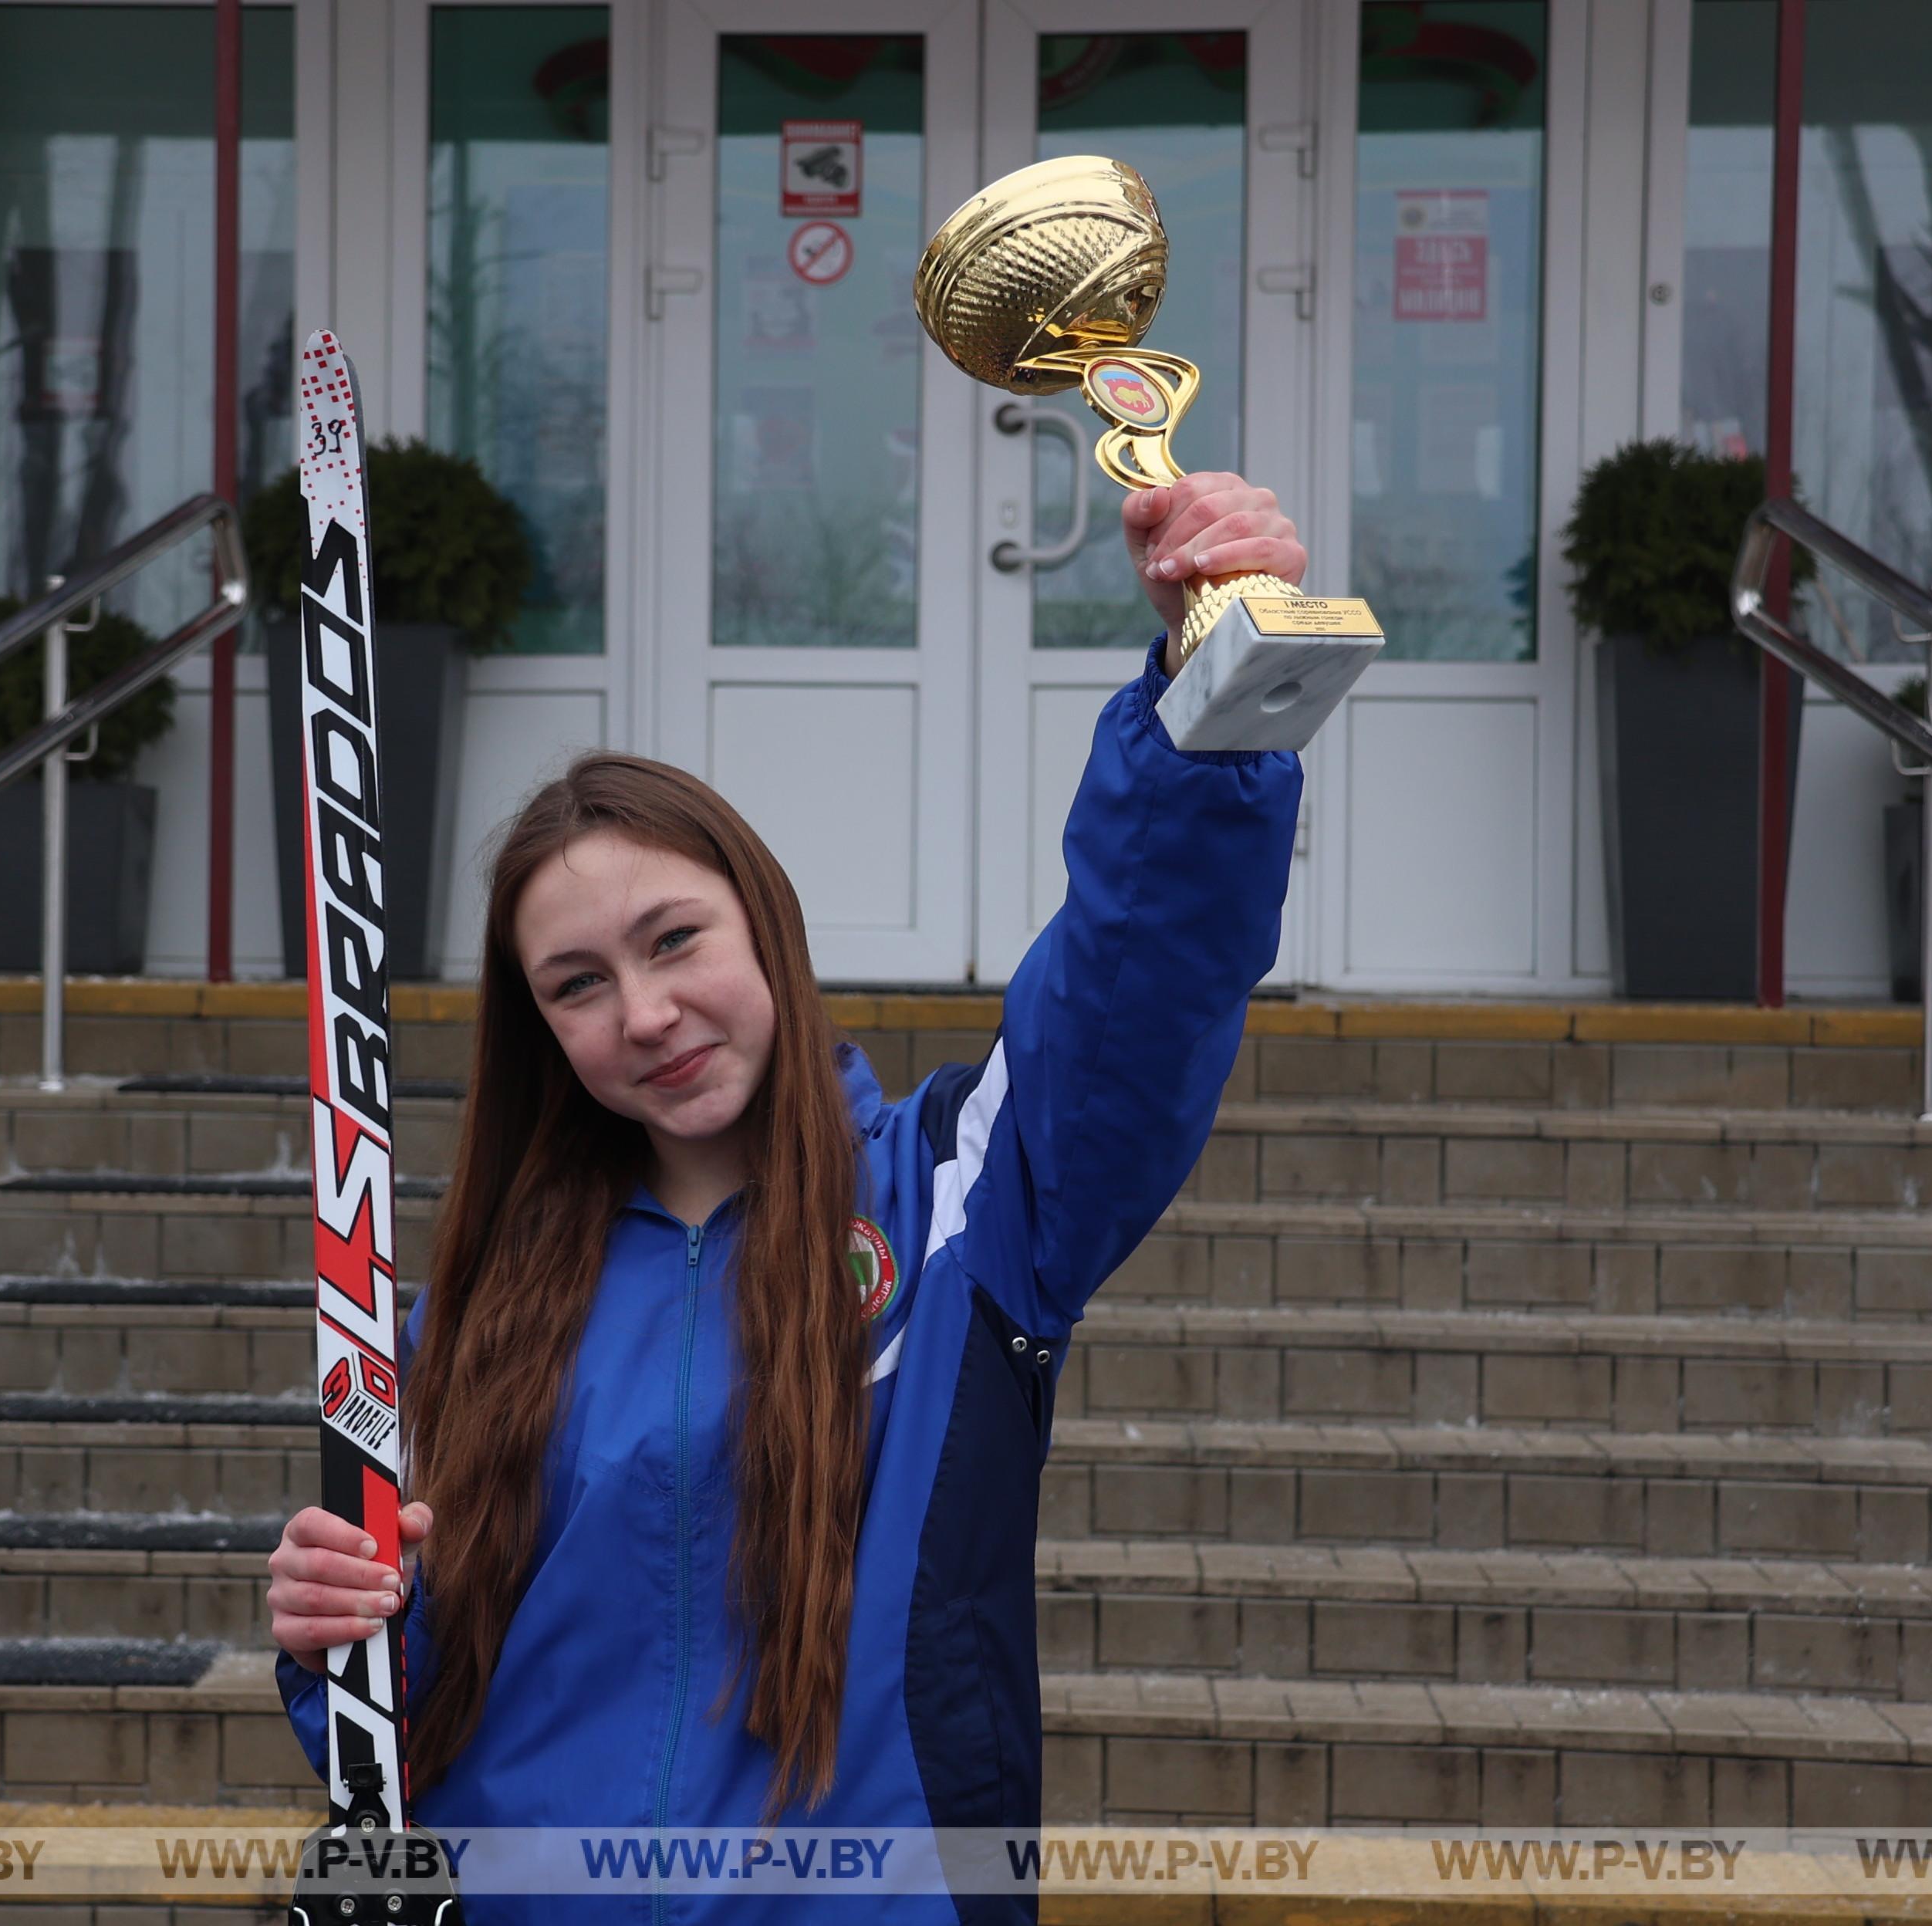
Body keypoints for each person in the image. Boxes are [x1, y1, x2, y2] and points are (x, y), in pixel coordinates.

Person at [270, 473, 1307, 1923]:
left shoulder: (962, 1202)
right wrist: (337, 1639)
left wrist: (1213, 690)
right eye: (578, 984)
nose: (644, 1013)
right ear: (542, 1032)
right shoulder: (464, 1321)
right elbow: (398, 1732)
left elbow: (1147, 967)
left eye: (673, 939)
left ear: (764, 923)